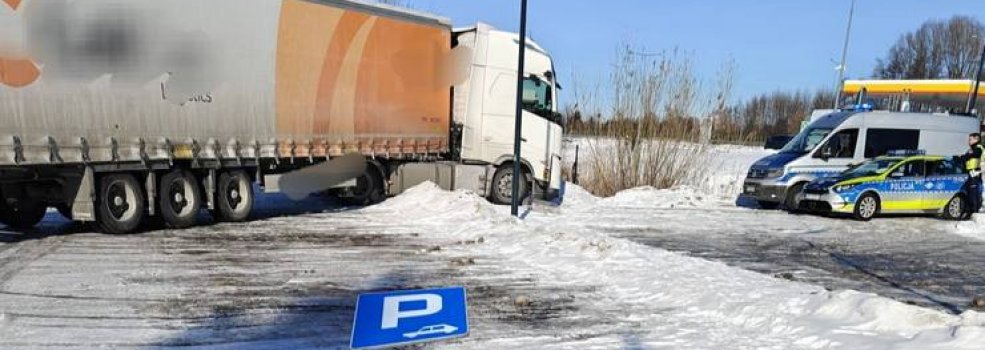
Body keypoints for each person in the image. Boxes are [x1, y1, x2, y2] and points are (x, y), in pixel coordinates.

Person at [956, 133, 985, 219]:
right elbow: (966, 158)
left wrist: (966, 156)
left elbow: (975, 154)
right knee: (969, 194)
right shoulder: (971, 149)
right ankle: (968, 212)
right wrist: (962, 157)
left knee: (973, 195)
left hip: (975, 173)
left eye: (970, 139)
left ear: (976, 139)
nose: (969, 141)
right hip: (970, 173)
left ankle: (973, 213)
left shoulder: (979, 148)